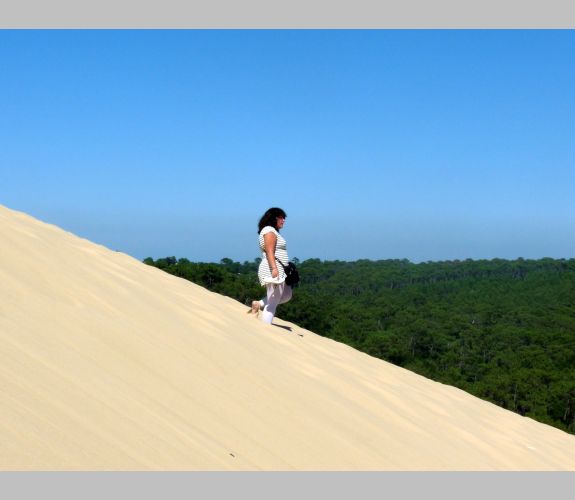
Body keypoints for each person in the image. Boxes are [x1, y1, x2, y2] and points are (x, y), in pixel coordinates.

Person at [249, 207, 293, 324]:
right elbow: (269, 251)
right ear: (274, 218)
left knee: (287, 294)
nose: (283, 220)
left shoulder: (272, 231)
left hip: (279, 268)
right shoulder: (269, 230)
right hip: (272, 268)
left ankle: (259, 304)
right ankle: (265, 329)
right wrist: (274, 269)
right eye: (281, 218)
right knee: (273, 303)